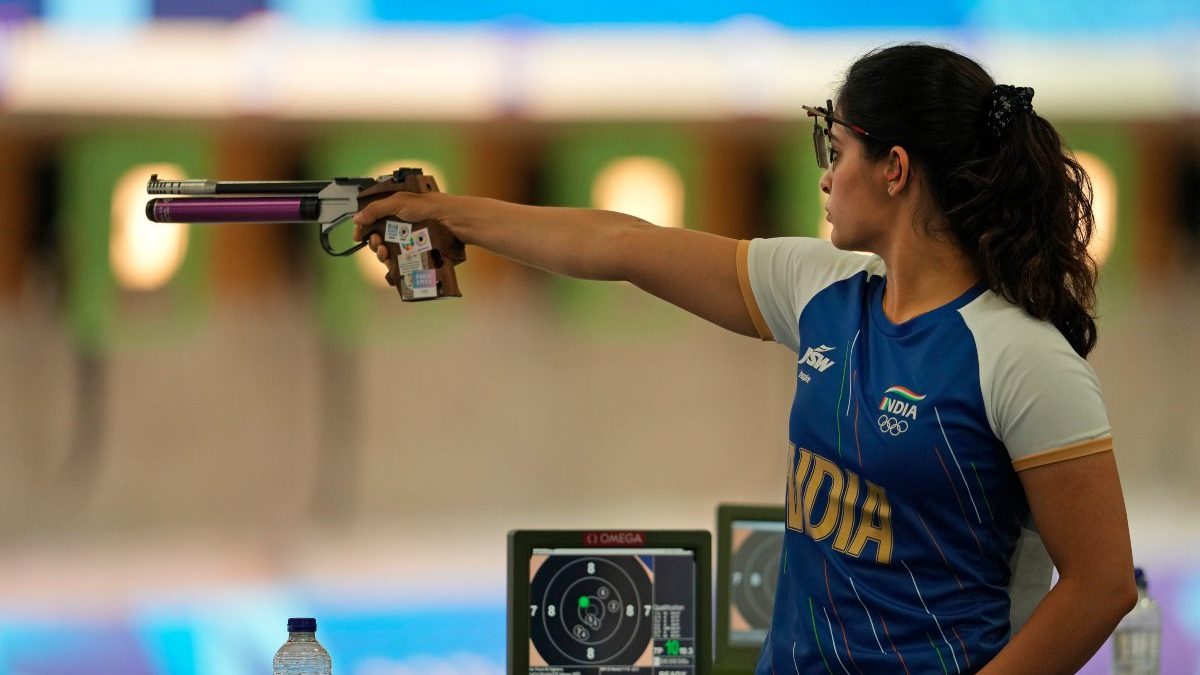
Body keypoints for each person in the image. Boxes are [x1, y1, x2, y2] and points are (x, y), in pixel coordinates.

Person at [353, 43, 1135, 674]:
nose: (826, 175)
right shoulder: (824, 287)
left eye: (840, 148)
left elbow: (1100, 586)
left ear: (895, 169)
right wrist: (443, 212)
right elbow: (624, 244)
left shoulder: (1021, 357)